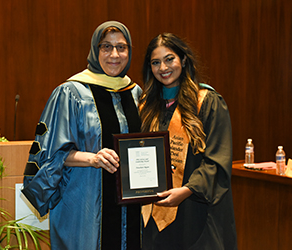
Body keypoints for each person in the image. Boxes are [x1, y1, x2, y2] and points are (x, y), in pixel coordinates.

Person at [21, 21, 142, 250]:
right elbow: (50, 153)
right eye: (106, 47)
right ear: (95, 50)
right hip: (84, 205)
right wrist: (93, 159)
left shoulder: (136, 93)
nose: (114, 54)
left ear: (130, 51)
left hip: (130, 206)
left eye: (121, 47)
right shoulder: (71, 92)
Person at [139, 33, 237, 250]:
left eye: (169, 59)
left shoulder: (207, 102)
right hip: (154, 215)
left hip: (195, 211)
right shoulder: (146, 107)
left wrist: (186, 191)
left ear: (183, 60)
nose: (163, 67)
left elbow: (216, 162)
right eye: (156, 62)